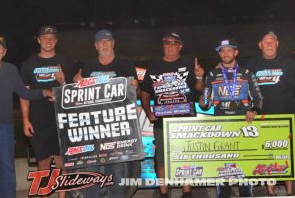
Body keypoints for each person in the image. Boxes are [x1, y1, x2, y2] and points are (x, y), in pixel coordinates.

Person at [0, 34, 53, 198]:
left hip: (6, 127)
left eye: (0, 49)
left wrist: (44, 92)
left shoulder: (11, 70)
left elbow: (24, 92)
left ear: (5, 52)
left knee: (8, 170)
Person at [72, 29, 141, 198]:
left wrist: (135, 87)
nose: (104, 44)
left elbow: (135, 94)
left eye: (107, 41)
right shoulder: (88, 66)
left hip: (116, 127)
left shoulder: (125, 64)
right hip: (93, 126)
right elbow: (78, 98)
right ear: (95, 46)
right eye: (100, 41)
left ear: (113, 43)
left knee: (116, 170)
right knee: (91, 168)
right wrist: (75, 85)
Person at [141, 32, 204, 198]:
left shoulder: (189, 64)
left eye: (174, 43)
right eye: (167, 43)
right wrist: (148, 113)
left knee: (185, 156)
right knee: (160, 158)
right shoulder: (154, 67)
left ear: (180, 46)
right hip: (162, 120)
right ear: (163, 45)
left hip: (185, 119)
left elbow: (199, 89)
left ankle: (187, 193)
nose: (170, 46)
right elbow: (145, 93)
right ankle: (163, 193)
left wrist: (199, 76)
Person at [199, 38, 263, 198]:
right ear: (219, 54)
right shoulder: (212, 74)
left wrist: (254, 110)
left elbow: (258, 98)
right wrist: (202, 100)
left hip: (243, 124)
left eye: (229, 50)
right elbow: (205, 104)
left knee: (244, 163)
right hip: (221, 125)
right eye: (222, 50)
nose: (225, 53)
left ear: (236, 52)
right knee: (222, 164)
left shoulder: (247, 73)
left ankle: (246, 194)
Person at [20, 26, 74, 198]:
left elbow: (73, 93)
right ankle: (44, 195)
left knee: (61, 163)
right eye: (45, 37)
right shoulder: (29, 65)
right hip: (38, 121)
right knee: (43, 163)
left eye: (52, 37)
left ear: (56, 41)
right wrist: (25, 120)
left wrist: (63, 81)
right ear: (38, 40)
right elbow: (24, 95)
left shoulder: (65, 62)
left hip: (62, 120)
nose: (48, 40)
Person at [246, 31, 295, 196]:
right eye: (265, 42)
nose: (269, 44)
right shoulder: (252, 64)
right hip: (262, 117)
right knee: (268, 154)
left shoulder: (288, 62)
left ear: (277, 43)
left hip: (287, 117)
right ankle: (270, 190)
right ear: (260, 45)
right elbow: (244, 88)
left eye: (272, 41)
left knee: (286, 153)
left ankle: (289, 191)